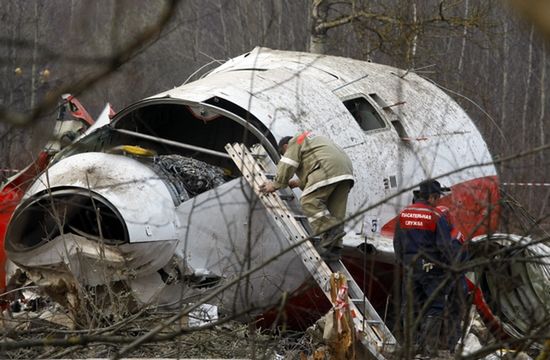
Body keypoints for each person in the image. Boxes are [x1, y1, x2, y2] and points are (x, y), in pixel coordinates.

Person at [259, 131, 354, 261]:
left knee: (308, 201)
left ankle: (330, 228)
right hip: (345, 171)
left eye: (283, 153)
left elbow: (288, 163)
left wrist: (275, 184)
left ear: (286, 147)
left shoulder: (296, 141)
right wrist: (298, 183)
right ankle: (334, 251)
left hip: (327, 167)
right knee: (334, 211)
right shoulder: (313, 139)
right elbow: (314, 164)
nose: (285, 155)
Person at [393, 179, 458, 358]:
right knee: (435, 307)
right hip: (432, 270)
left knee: (411, 306)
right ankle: (429, 350)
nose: (437, 201)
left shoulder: (404, 214)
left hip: (410, 268)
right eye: (437, 198)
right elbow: (445, 247)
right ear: (431, 196)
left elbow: (397, 244)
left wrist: (403, 263)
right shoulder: (436, 217)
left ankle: (410, 346)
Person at [436, 205, 470, 354]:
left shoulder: (452, 239)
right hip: (458, 281)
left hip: (455, 283)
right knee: (453, 316)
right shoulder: (454, 235)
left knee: (453, 315)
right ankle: (450, 346)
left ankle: (451, 347)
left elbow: (453, 265)